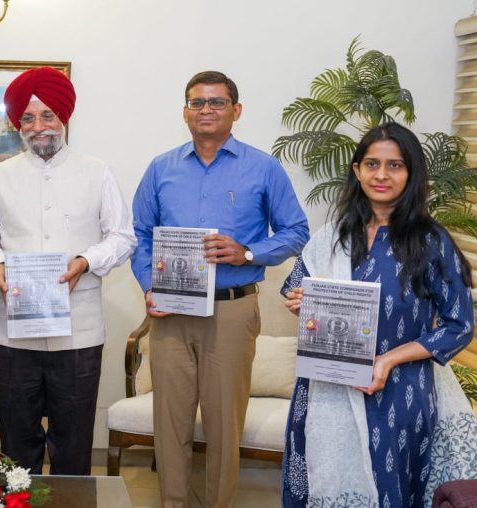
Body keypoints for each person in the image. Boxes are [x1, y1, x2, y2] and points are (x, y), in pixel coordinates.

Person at [131, 70, 309, 507]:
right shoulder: (161, 168)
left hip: (232, 311)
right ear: (185, 112)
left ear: (236, 110)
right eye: (197, 102)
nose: (206, 110)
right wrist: (150, 286)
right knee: (170, 422)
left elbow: (296, 231)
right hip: (171, 312)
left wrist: (247, 253)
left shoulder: (263, 167)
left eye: (216, 102)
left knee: (224, 425)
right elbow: (140, 234)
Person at [280, 122, 477, 507]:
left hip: (400, 392)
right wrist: (302, 300)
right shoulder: (333, 236)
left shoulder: (431, 242)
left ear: (411, 173)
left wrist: (387, 360)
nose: (381, 175)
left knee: (390, 489)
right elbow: (294, 286)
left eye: (395, 165)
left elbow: (460, 325)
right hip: (328, 388)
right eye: (372, 164)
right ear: (357, 170)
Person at [0, 67, 137, 475]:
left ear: (63, 117)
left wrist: (86, 261)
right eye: (28, 118)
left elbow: (122, 237)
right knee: (16, 443)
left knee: (73, 443)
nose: (39, 126)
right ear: (18, 125)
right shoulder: (0, 176)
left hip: (78, 333)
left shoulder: (96, 171)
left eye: (47, 115)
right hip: (13, 333)